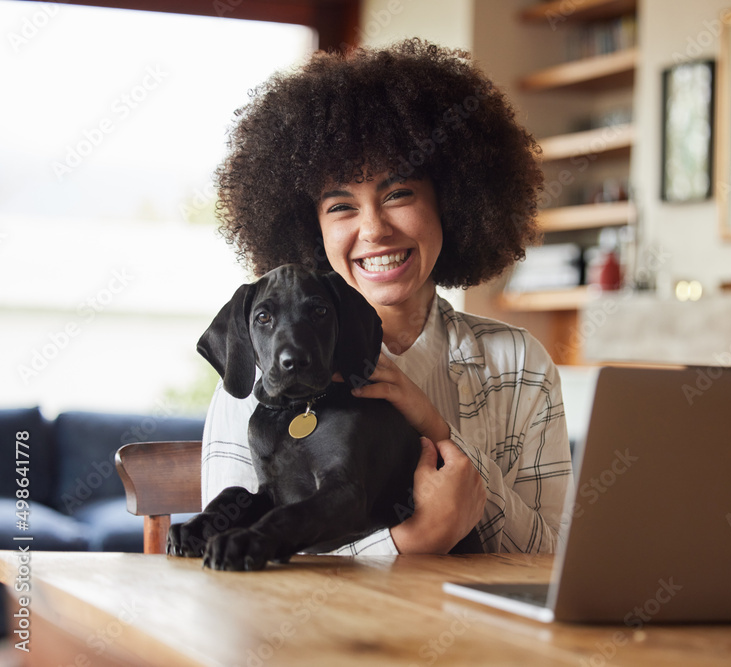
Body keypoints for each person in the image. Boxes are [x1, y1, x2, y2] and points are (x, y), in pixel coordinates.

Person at [200, 38, 574, 555]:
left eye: (398, 194)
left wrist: (435, 426)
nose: (374, 229)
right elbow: (229, 560)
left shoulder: (520, 366)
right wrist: (409, 544)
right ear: (310, 226)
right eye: (341, 206)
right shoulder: (257, 373)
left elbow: (548, 558)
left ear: (452, 200)